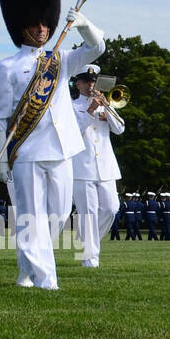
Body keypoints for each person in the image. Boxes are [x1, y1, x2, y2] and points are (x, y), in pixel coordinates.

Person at [0, 0, 105, 290]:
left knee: (55, 215)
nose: (41, 28)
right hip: (26, 151)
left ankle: (27, 267)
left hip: (63, 147)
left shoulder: (62, 59)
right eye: (34, 23)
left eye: (45, 22)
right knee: (30, 217)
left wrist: (83, 24)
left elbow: (97, 48)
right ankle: (46, 280)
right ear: (22, 26)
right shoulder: (7, 67)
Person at [69, 65, 123, 268]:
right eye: (86, 81)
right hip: (82, 168)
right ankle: (90, 259)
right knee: (88, 213)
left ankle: (89, 245)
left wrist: (107, 108)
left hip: (106, 167)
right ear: (78, 83)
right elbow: (73, 132)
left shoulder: (104, 105)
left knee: (111, 208)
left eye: (93, 81)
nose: (90, 84)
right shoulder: (72, 107)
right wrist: (90, 110)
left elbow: (119, 129)